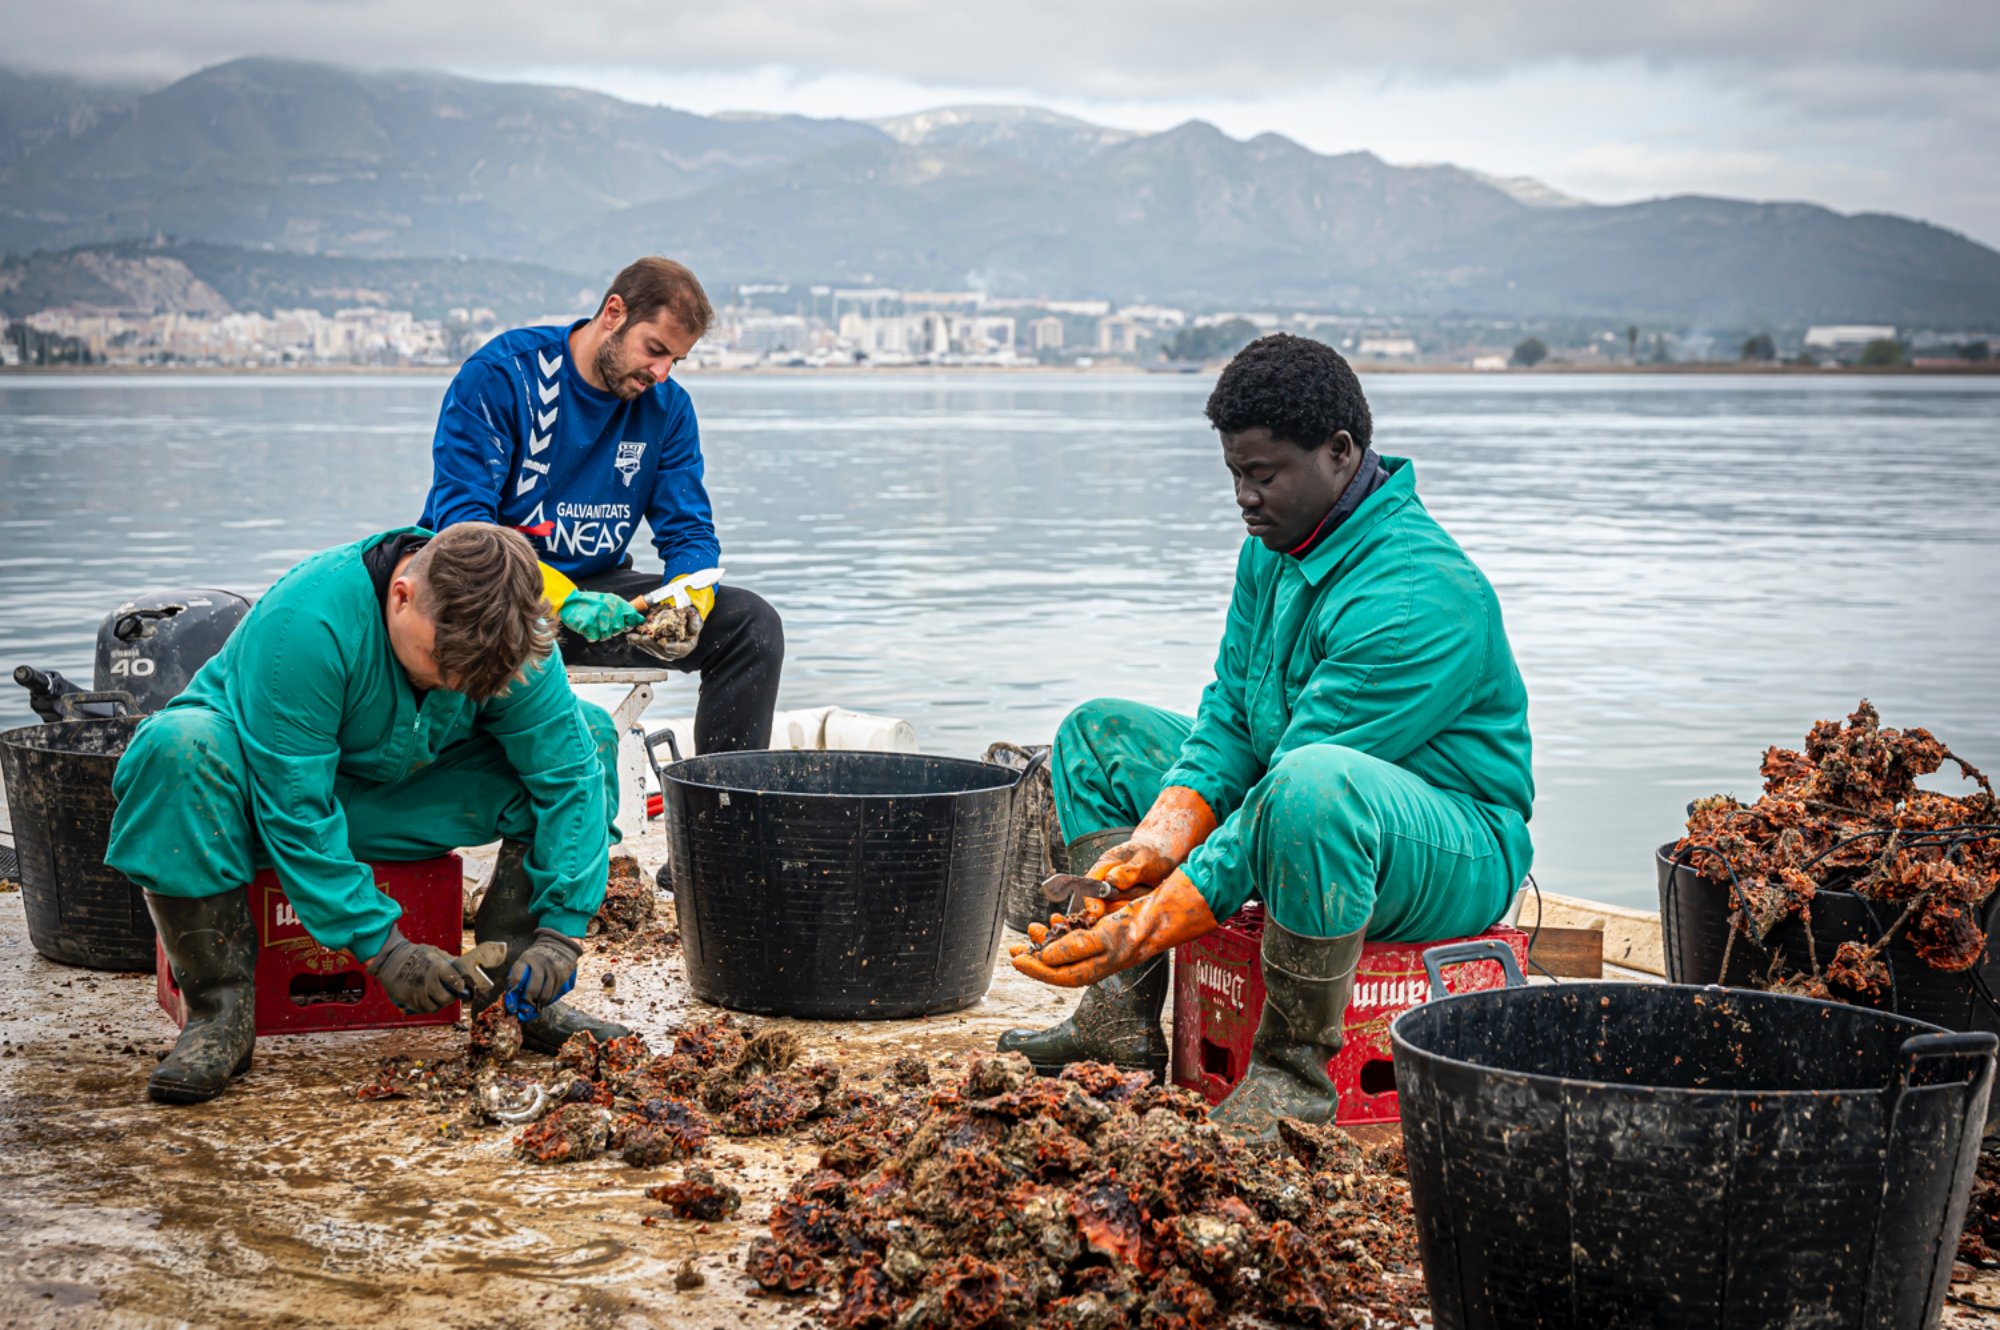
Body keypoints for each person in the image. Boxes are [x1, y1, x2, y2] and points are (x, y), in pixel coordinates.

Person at [1002, 334, 1534, 1137]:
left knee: (1309, 788)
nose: (1245, 498)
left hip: (1451, 846)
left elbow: (1284, 793)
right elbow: (1229, 716)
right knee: (1099, 735)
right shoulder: (1278, 546)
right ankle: (1116, 1023)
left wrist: (1149, 920)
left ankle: (1292, 1077)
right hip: (1301, 793)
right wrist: (1156, 841)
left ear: (1340, 452)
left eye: (1264, 475)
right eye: (1235, 475)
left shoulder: (1414, 597)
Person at [105, 523, 629, 1105]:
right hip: (261, 797)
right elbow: (297, 808)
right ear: (402, 595)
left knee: (590, 733)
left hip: (397, 796)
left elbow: (569, 777)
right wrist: (386, 950)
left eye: (475, 679)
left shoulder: (513, 631)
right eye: (442, 660)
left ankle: (515, 1001)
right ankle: (219, 1014)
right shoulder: (307, 623)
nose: (455, 683)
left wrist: (562, 933)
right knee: (175, 747)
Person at [420, 256, 783, 754]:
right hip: (487, 596)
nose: (661, 373)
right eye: (654, 350)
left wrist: (688, 599)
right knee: (471, 592)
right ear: (614, 313)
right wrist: (561, 599)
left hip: (602, 607)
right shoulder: (503, 377)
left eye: (675, 361)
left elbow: (689, 532)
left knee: (752, 627)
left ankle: (720, 801)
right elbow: (464, 532)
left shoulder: (669, 409)